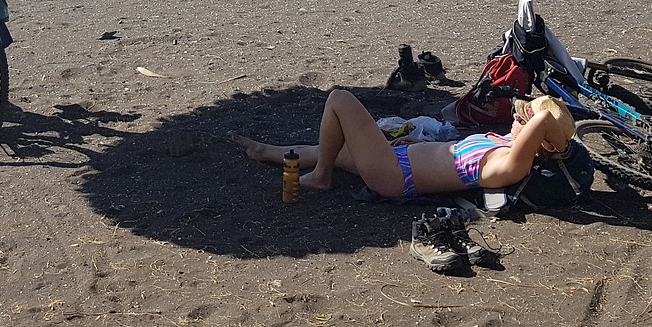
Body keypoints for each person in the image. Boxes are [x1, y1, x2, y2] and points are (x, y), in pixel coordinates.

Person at [231, 89, 574, 199]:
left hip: (396, 177)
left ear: (537, 137)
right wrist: (416, 146)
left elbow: (526, 145)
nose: (519, 115)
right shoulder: (499, 141)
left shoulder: (510, 164)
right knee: (332, 146)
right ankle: (266, 152)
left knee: (340, 101)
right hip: (401, 160)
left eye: (524, 117)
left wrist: (542, 121)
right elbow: (448, 157)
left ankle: (321, 177)